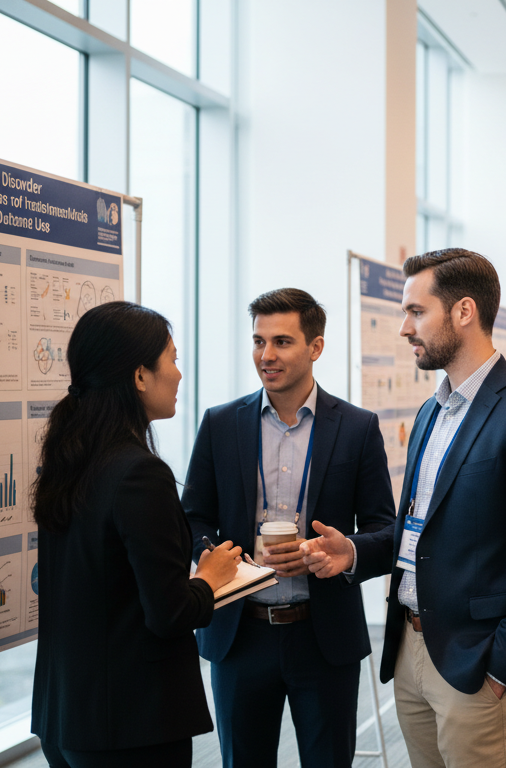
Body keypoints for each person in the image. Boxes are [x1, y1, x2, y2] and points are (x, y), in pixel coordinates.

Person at [375, 248, 506, 768]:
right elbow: (423, 528)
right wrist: (354, 552)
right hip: (412, 650)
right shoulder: (430, 410)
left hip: (481, 667)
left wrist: (502, 669)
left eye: (416, 312)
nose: (404, 328)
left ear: (464, 312)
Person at [183, 289, 397, 768]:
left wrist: (345, 552)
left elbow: (386, 528)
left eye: (281, 341)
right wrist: (217, 558)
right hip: (241, 636)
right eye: (258, 341)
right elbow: (192, 516)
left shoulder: (358, 427)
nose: (266, 355)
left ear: (315, 347)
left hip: (322, 636)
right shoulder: (220, 424)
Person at [31, 302, 242, 768]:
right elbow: (169, 613)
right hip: (129, 725)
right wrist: (211, 577)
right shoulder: (139, 474)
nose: (180, 375)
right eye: (171, 359)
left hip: (65, 715)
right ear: (140, 376)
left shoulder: (68, 460)